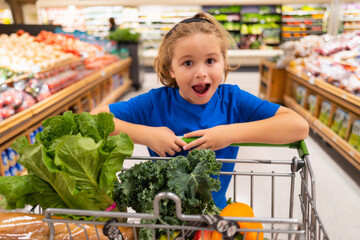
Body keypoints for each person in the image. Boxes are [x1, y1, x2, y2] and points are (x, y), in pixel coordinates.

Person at [92, 12, 309, 209]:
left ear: (224, 62)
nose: (201, 72)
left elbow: (297, 126)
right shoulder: (155, 102)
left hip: (216, 214)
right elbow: (94, 119)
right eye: (188, 63)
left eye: (210, 61)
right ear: (171, 69)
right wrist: (146, 135)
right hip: (166, 214)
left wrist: (229, 134)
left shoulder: (233, 99)